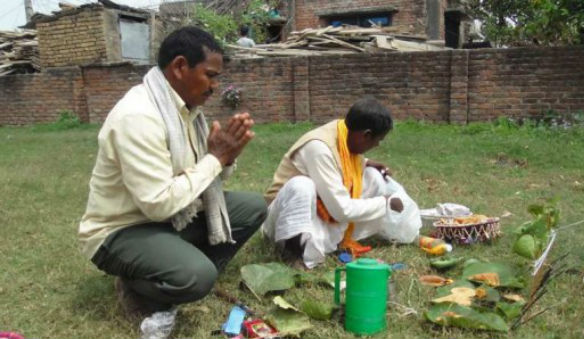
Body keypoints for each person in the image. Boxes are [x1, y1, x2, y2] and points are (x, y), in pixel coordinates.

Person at [77, 26, 267, 336]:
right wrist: (215, 159)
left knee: (254, 207)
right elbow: (158, 203)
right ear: (179, 67)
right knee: (197, 277)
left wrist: (226, 159)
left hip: (169, 217)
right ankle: (142, 286)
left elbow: (197, 180)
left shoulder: (187, 113)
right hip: (120, 231)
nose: (215, 87)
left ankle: (174, 271)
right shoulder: (138, 116)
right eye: (210, 75)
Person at [262, 97, 420, 269]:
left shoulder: (346, 132)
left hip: (319, 209)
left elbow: (340, 161)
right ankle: (293, 253)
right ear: (366, 135)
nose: (377, 145)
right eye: (377, 140)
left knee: (374, 177)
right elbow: (341, 210)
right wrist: (385, 203)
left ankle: (336, 240)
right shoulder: (319, 148)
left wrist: (365, 161)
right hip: (281, 221)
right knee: (301, 185)